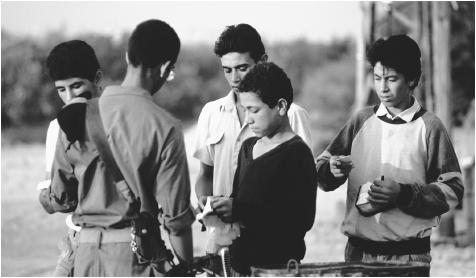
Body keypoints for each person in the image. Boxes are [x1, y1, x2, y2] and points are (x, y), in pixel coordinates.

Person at [39, 19, 195, 276]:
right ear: (166, 67)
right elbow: (176, 221)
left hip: (85, 256)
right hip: (134, 257)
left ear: (127, 56)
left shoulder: (75, 116)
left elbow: (63, 197)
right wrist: (186, 268)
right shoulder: (165, 126)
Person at [315, 34, 463, 275]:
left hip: (409, 258)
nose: (382, 87)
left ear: (413, 79)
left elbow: (453, 189)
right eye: (377, 78)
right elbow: (321, 172)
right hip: (358, 255)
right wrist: (331, 169)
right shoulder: (360, 120)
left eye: (392, 79)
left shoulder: (429, 127)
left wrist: (403, 194)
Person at [193, 23, 313, 254]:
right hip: (220, 242)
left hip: (273, 251)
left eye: (242, 68)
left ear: (263, 61)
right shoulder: (210, 112)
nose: (235, 78)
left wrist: (240, 210)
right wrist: (205, 203)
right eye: (227, 70)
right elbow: (205, 174)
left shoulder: (292, 115)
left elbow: (300, 199)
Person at [211, 62, 317, 275]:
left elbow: (301, 220)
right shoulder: (248, 147)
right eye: (245, 110)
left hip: (277, 268)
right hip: (239, 266)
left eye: (254, 110)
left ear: (281, 106)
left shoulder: (297, 154)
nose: (248, 119)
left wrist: (240, 210)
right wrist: (219, 208)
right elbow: (238, 200)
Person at [37, 39, 103, 276]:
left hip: (109, 242)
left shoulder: (121, 117)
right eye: (61, 89)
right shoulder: (57, 125)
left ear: (97, 78)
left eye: (76, 86)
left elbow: (61, 199)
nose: (69, 96)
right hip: (77, 242)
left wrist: (45, 198)